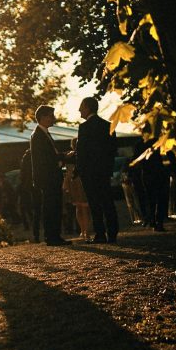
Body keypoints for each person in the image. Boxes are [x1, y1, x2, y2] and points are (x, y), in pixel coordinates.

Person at [75, 96, 119, 243]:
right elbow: (113, 150)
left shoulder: (84, 127)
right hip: (104, 171)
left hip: (89, 172)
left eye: (81, 106)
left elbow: (82, 152)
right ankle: (113, 231)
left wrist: (78, 170)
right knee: (108, 201)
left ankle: (100, 233)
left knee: (95, 203)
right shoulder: (108, 126)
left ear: (87, 107)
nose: (79, 109)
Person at [31, 105, 70, 246]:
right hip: (48, 178)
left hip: (51, 177)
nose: (53, 118)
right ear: (43, 117)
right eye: (51, 116)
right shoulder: (38, 135)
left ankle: (54, 235)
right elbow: (46, 158)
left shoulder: (43, 134)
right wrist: (63, 156)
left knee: (54, 206)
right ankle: (52, 236)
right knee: (51, 207)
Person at [65, 138, 92, 242]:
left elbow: (67, 169)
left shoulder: (70, 156)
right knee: (83, 207)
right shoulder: (80, 155)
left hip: (74, 182)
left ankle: (84, 230)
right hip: (79, 181)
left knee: (80, 207)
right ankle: (85, 231)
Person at [19, 147, 41, 242]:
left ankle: (35, 233)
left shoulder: (24, 159)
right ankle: (38, 230)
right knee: (37, 207)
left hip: (27, 187)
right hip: (36, 184)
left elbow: (22, 175)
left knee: (30, 209)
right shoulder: (34, 157)